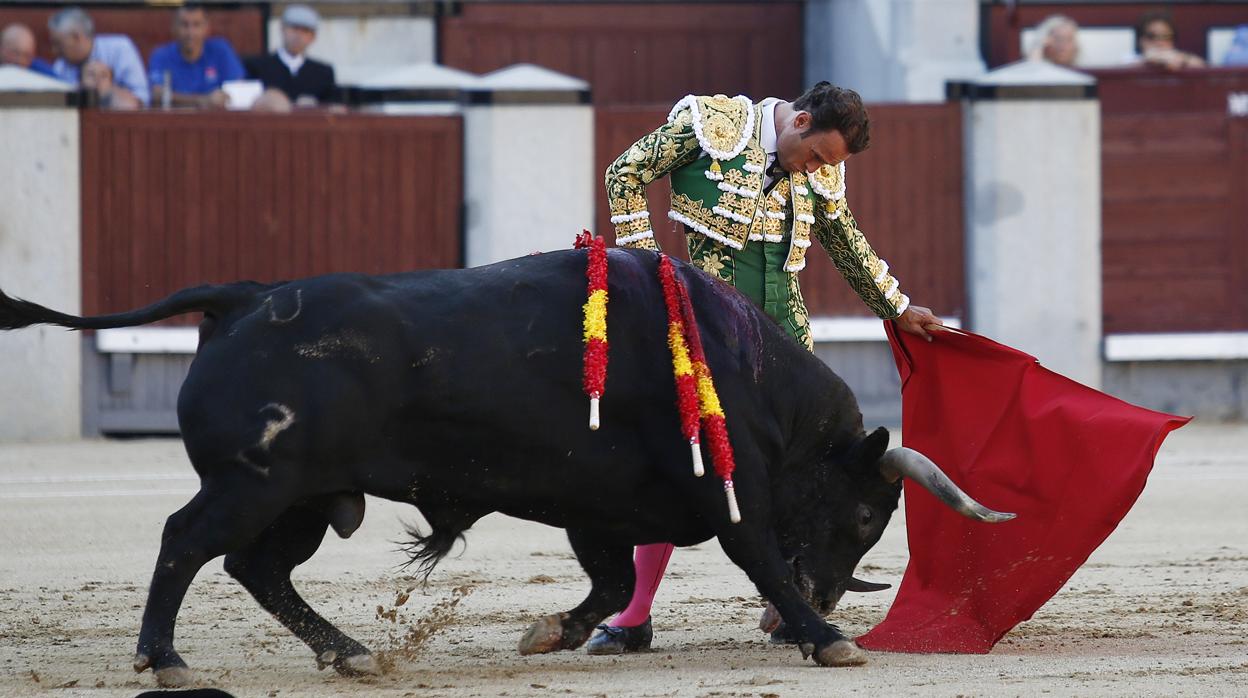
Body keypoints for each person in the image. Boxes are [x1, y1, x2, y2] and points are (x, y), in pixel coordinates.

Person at [596, 83, 942, 654]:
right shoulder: (711, 127)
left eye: (827, 163)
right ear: (798, 120)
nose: (816, 168)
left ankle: (793, 602)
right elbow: (624, 174)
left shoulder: (821, 163)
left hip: (788, 344)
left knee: (805, 476)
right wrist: (649, 271)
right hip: (710, 330)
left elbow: (844, 240)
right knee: (679, 457)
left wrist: (898, 308)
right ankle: (633, 613)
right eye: (815, 155)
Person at [147, 3, 245, 109]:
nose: (190, 33)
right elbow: (156, 95)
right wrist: (201, 100)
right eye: (184, 25)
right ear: (174, 28)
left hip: (217, 120)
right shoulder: (162, 55)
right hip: (175, 121)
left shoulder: (221, 50)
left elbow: (238, 90)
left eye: (196, 25)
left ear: (207, 28)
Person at [47, 6, 149, 106]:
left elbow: (142, 99)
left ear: (77, 37)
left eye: (58, 44)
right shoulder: (61, 65)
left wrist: (105, 88)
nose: (54, 51)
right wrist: (82, 92)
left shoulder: (119, 49)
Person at [244, 4, 336, 106]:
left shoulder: (323, 73)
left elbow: (329, 108)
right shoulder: (257, 66)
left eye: (305, 31)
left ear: (313, 37)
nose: (298, 35)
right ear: (282, 29)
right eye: (294, 28)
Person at [1124, 11, 1205, 71]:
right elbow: (1123, 70)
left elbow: (1203, 67)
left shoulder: (1178, 58)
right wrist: (1149, 60)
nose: (1159, 42)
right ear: (1141, 40)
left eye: (1166, 37)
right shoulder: (1130, 59)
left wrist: (1182, 59)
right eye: (1151, 36)